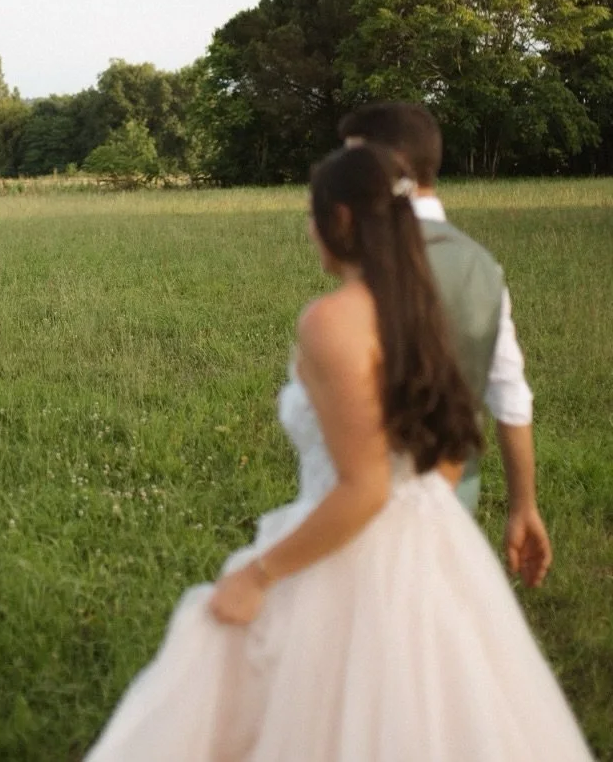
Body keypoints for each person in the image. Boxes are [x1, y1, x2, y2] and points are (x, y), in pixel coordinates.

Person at [85, 145, 592, 761]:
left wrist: (258, 574)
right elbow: (450, 444)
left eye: (312, 212)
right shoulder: (420, 306)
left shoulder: (333, 322)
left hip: (359, 551)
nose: (307, 227)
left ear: (343, 220)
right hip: (436, 545)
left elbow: (366, 487)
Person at [338, 101, 551, 587]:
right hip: (457, 500)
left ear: (389, 169)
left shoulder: (369, 261)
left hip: (367, 508)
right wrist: (523, 507)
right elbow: (510, 394)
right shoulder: (484, 266)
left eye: (353, 162)